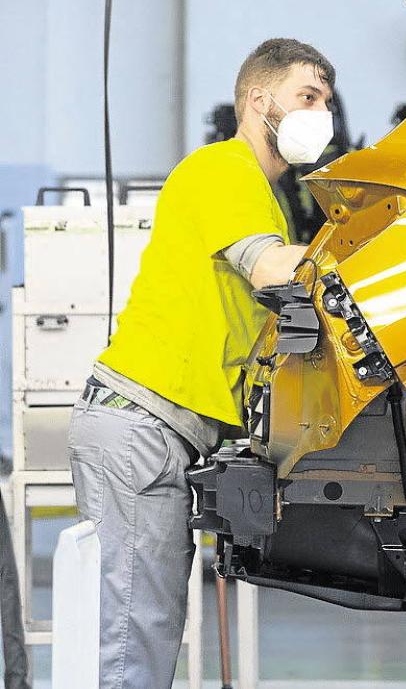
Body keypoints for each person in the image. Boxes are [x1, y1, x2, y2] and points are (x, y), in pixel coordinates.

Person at [66, 38, 337, 689]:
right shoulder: (224, 169)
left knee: (150, 623)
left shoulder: (265, 197)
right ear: (258, 99)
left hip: (163, 430)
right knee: (136, 632)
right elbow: (273, 267)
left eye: (328, 100)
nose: (322, 113)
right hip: (141, 422)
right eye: (309, 96)